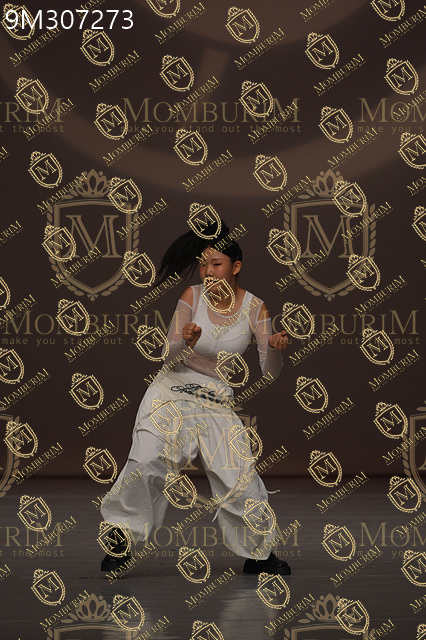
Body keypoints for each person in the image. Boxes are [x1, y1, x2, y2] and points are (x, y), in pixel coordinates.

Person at [99, 220, 289, 575]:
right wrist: (183, 343)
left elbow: (270, 371)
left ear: (235, 267)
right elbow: (167, 357)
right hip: (172, 389)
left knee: (237, 475)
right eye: (203, 265)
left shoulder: (255, 308)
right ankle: (121, 535)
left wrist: (275, 348)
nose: (208, 271)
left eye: (216, 264)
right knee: (147, 459)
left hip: (214, 397)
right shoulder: (192, 296)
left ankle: (259, 553)